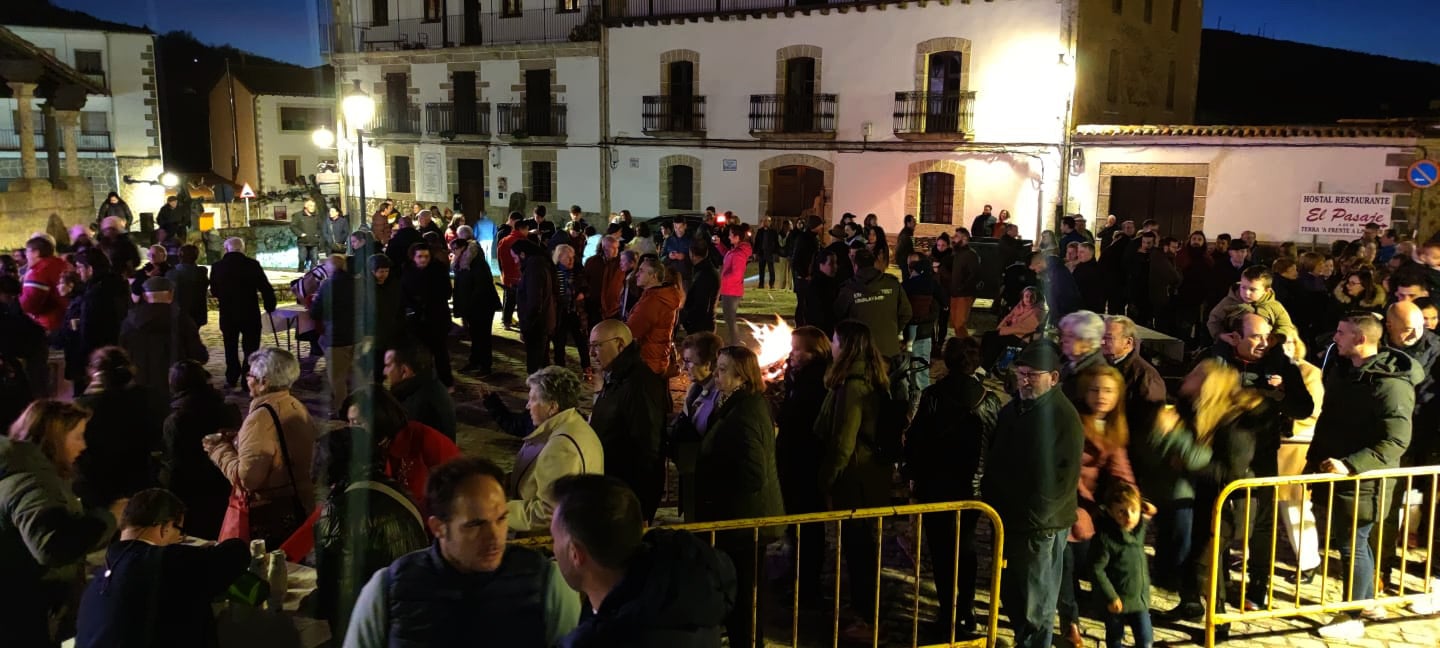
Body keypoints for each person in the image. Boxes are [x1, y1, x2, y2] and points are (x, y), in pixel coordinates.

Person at [343, 457, 581, 647]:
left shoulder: (545, 583)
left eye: (501, 519)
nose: (495, 537)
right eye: (476, 525)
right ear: (439, 528)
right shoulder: (388, 589)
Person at [1310, 313, 1420, 639]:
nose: (1335, 338)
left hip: (1365, 481)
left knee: (1353, 545)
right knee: (1353, 544)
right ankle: (1367, 601)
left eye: (1342, 333)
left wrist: (1352, 464)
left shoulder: (1391, 385)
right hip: (1340, 474)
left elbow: (1396, 440)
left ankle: (1351, 615)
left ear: (1360, 339)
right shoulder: (1346, 371)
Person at [551, 474, 735, 648]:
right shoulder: (684, 592)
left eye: (554, 538)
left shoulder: (605, 640)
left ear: (576, 554)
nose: (553, 548)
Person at [980, 341, 1083, 648]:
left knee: (1036, 603)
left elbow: (1062, 479)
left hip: (1040, 526)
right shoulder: (1015, 409)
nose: (1023, 380)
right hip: (1013, 519)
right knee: (1015, 593)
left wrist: (1034, 515)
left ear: (1053, 378)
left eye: (1031, 375)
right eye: (1021, 373)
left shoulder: (1063, 417)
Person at [0, 400, 123, 648]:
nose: (84, 445)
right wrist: (111, 517)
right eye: (77, 436)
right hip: (23, 613)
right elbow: (52, 545)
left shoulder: (30, 473)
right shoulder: (31, 482)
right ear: (54, 437)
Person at [904, 337, 998, 639]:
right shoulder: (990, 399)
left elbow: (916, 442)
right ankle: (967, 610)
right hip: (973, 488)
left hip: (936, 485)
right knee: (966, 548)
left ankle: (948, 611)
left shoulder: (932, 396)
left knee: (942, 550)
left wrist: (912, 474)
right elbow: (996, 446)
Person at [75, 487, 250, 648]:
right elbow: (236, 553)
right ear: (165, 527)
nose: (180, 538)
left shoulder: (98, 579)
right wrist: (203, 553)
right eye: (180, 531)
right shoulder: (163, 561)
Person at [694, 345, 784, 646]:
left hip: (745, 522)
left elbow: (753, 473)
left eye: (722, 370)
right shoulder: (735, 403)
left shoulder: (746, 412)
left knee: (746, 595)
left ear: (741, 377)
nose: (715, 374)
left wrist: (714, 483)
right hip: (739, 520)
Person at [309, 427, 430, 638]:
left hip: (371, 622)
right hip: (411, 612)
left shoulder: (340, 508)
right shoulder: (400, 492)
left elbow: (329, 595)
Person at [816, 320, 895, 642]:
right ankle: (863, 607)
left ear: (845, 345)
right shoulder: (870, 377)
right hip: (868, 476)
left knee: (861, 548)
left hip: (857, 477)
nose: (831, 345)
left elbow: (843, 441)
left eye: (834, 339)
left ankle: (869, 617)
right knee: (859, 546)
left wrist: (826, 478)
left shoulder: (853, 386)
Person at [1059, 364, 1142, 646]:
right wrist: (1089, 506)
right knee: (1064, 567)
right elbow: (1066, 468)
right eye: (1095, 389)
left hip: (1091, 508)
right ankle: (1069, 623)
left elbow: (1120, 467)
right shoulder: (1073, 419)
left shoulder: (1112, 425)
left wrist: (1134, 501)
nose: (1101, 396)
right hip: (1066, 502)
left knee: (1094, 562)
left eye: (1108, 390)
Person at [204, 347, 316, 545]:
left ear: (264, 382)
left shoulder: (260, 418)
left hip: (270, 514)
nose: (247, 379)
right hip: (299, 503)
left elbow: (247, 479)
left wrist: (218, 449)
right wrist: (239, 440)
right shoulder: (296, 406)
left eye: (250, 374)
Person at [587, 319, 670, 522]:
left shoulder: (639, 384)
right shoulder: (616, 377)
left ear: (620, 344)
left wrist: (639, 504)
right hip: (613, 487)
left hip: (628, 495)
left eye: (597, 346)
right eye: (590, 346)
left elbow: (648, 447)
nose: (592, 354)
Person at [508, 366, 604, 534]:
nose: (528, 405)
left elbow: (547, 512)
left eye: (533, 399)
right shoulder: (574, 425)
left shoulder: (561, 448)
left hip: (550, 540)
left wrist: (497, 511)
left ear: (552, 406)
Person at [158, 360, 241, 540]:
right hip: (222, 484)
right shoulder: (227, 409)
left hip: (191, 493)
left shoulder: (176, 420)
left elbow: (175, 463)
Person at [73, 347, 165, 507]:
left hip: (98, 482)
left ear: (93, 372)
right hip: (139, 477)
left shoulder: (82, 405)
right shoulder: (146, 398)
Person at [119, 276, 207, 401]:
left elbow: (122, 352)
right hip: (174, 387)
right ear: (171, 294)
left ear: (144, 296)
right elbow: (198, 355)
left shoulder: (130, 322)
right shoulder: (182, 321)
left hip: (140, 386)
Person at [1089, 483, 1153, 648]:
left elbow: (1149, 513)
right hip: (1117, 601)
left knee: (1146, 640)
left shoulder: (1137, 531)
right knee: (1115, 639)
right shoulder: (1106, 538)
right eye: (1121, 512)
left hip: (1140, 600)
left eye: (1133, 510)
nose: (1129, 517)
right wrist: (1111, 597)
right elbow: (1097, 569)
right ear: (1110, 512)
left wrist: (1146, 508)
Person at [210, 238, 277, 390]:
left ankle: (232, 376)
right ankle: (249, 378)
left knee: (230, 345)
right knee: (251, 347)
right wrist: (270, 305)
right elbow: (265, 287)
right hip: (249, 312)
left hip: (228, 313)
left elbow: (214, 291)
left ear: (226, 249)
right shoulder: (252, 265)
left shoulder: (218, 266)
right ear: (242, 249)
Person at [670, 332, 723, 521]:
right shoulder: (695, 388)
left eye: (689, 361)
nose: (684, 367)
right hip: (691, 473)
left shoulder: (720, 395)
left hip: (708, 480)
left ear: (708, 364)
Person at [836, 248, 912, 367]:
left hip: (860, 353)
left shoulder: (848, 290)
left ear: (855, 266)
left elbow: (838, 318)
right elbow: (906, 312)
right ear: (874, 264)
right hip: (888, 351)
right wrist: (892, 331)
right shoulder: (892, 284)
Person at [70, 249, 131, 394]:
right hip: (118, 351)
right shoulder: (119, 285)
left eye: (79, 267)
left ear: (90, 269)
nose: (78, 272)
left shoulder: (94, 293)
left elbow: (89, 330)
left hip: (99, 355)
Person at [309, 255, 358, 415]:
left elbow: (316, 311)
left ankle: (342, 409)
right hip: (356, 336)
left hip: (336, 337)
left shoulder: (328, 285)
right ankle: (359, 406)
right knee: (355, 374)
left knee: (337, 377)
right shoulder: (357, 283)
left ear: (330, 268)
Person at [1206, 265, 1299, 343]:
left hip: (1265, 346)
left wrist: (1275, 339)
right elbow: (1214, 320)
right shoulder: (1229, 302)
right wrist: (1221, 335)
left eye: (1252, 289)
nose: (1246, 293)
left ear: (1266, 290)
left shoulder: (1274, 307)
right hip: (1233, 345)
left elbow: (1286, 326)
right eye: (1243, 287)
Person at [384, 345, 457, 441]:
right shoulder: (428, 383)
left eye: (388, 366)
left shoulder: (415, 404)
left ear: (404, 371)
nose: (384, 372)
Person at [451, 235, 500, 375]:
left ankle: (485, 365)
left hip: (482, 306)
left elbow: (481, 286)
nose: (453, 253)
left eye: (455, 249)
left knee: (483, 336)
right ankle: (475, 361)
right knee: (475, 335)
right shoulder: (462, 262)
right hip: (472, 307)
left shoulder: (476, 262)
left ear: (462, 248)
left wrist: (470, 305)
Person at [625, 256, 683, 376]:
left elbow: (631, 331)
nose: (636, 274)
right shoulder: (659, 296)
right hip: (656, 359)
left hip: (647, 363)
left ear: (654, 276)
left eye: (641, 271)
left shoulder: (654, 301)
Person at [515, 239, 559, 374]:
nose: (515, 261)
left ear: (522, 254)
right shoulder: (539, 265)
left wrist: (526, 325)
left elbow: (535, 300)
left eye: (515, 257)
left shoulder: (534, 268)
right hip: (542, 322)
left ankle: (538, 391)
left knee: (536, 365)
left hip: (537, 325)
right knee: (542, 361)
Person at [980, 286, 1044, 369]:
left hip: (1021, 337)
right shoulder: (1020, 305)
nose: (1028, 299)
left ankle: (986, 367)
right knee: (988, 335)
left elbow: (1023, 328)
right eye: (1026, 296)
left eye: (1032, 297)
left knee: (995, 340)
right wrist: (1000, 328)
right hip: (1010, 332)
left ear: (1036, 298)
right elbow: (1008, 317)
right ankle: (982, 362)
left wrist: (1002, 331)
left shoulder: (1037, 311)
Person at [551, 244, 591, 371]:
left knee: (581, 340)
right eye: (568, 257)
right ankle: (560, 368)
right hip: (559, 312)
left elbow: (587, 288)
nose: (571, 260)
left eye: (572, 257)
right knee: (559, 341)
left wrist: (582, 294)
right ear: (559, 257)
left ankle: (586, 366)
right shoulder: (553, 272)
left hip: (575, 311)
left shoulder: (578, 271)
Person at [21, 234, 70, 334]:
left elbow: (29, 305)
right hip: (66, 319)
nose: (26, 255)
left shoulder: (38, 272)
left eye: (27, 251)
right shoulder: (63, 264)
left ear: (36, 253)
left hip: (47, 325)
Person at [714, 223, 752, 344]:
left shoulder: (739, 254)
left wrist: (720, 279)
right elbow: (727, 254)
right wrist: (719, 245)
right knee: (729, 318)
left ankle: (735, 343)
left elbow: (736, 275)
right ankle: (734, 342)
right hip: (729, 289)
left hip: (732, 291)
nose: (729, 237)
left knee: (730, 319)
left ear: (737, 237)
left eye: (730, 235)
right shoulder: (735, 250)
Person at [680, 240, 720, 334]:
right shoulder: (706, 270)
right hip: (704, 323)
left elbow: (701, 304)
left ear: (691, 254)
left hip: (701, 326)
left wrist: (685, 317)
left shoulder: (704, 274)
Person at [164, 244, 208, 329]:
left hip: (178, 313)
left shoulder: (172, 273)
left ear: (180, 255)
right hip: (197, 313)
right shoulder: (201, 273)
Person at [949, 228, 982, 337]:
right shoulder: (958, 253)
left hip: (964, 295)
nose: (954, 238)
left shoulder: (970, 255)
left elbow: (974, 275)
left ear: (965, 238)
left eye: (957, 236)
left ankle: (965, 347)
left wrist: (962, 288)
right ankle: (961, 345)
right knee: (955, 323)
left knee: (960, 323)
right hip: (955, 293)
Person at [803, 249, 841, 336]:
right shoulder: (816, 286)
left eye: (835, 263)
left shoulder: (833, 282)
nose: (835, 266)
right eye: (831, 264)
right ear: (821, 265)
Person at [292, 199, 323, 271]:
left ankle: (313, 274)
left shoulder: (316, 216)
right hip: (303, 241)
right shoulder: (298, 215)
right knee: (302, 258)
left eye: (314, 206)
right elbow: (293, 226)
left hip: (314, 241)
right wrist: (300, 234)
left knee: (314, 259)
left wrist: (317, 234)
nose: (313, 207)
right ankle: (300, 272)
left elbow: (320, 227)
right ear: (306, 206)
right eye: (311, 206)